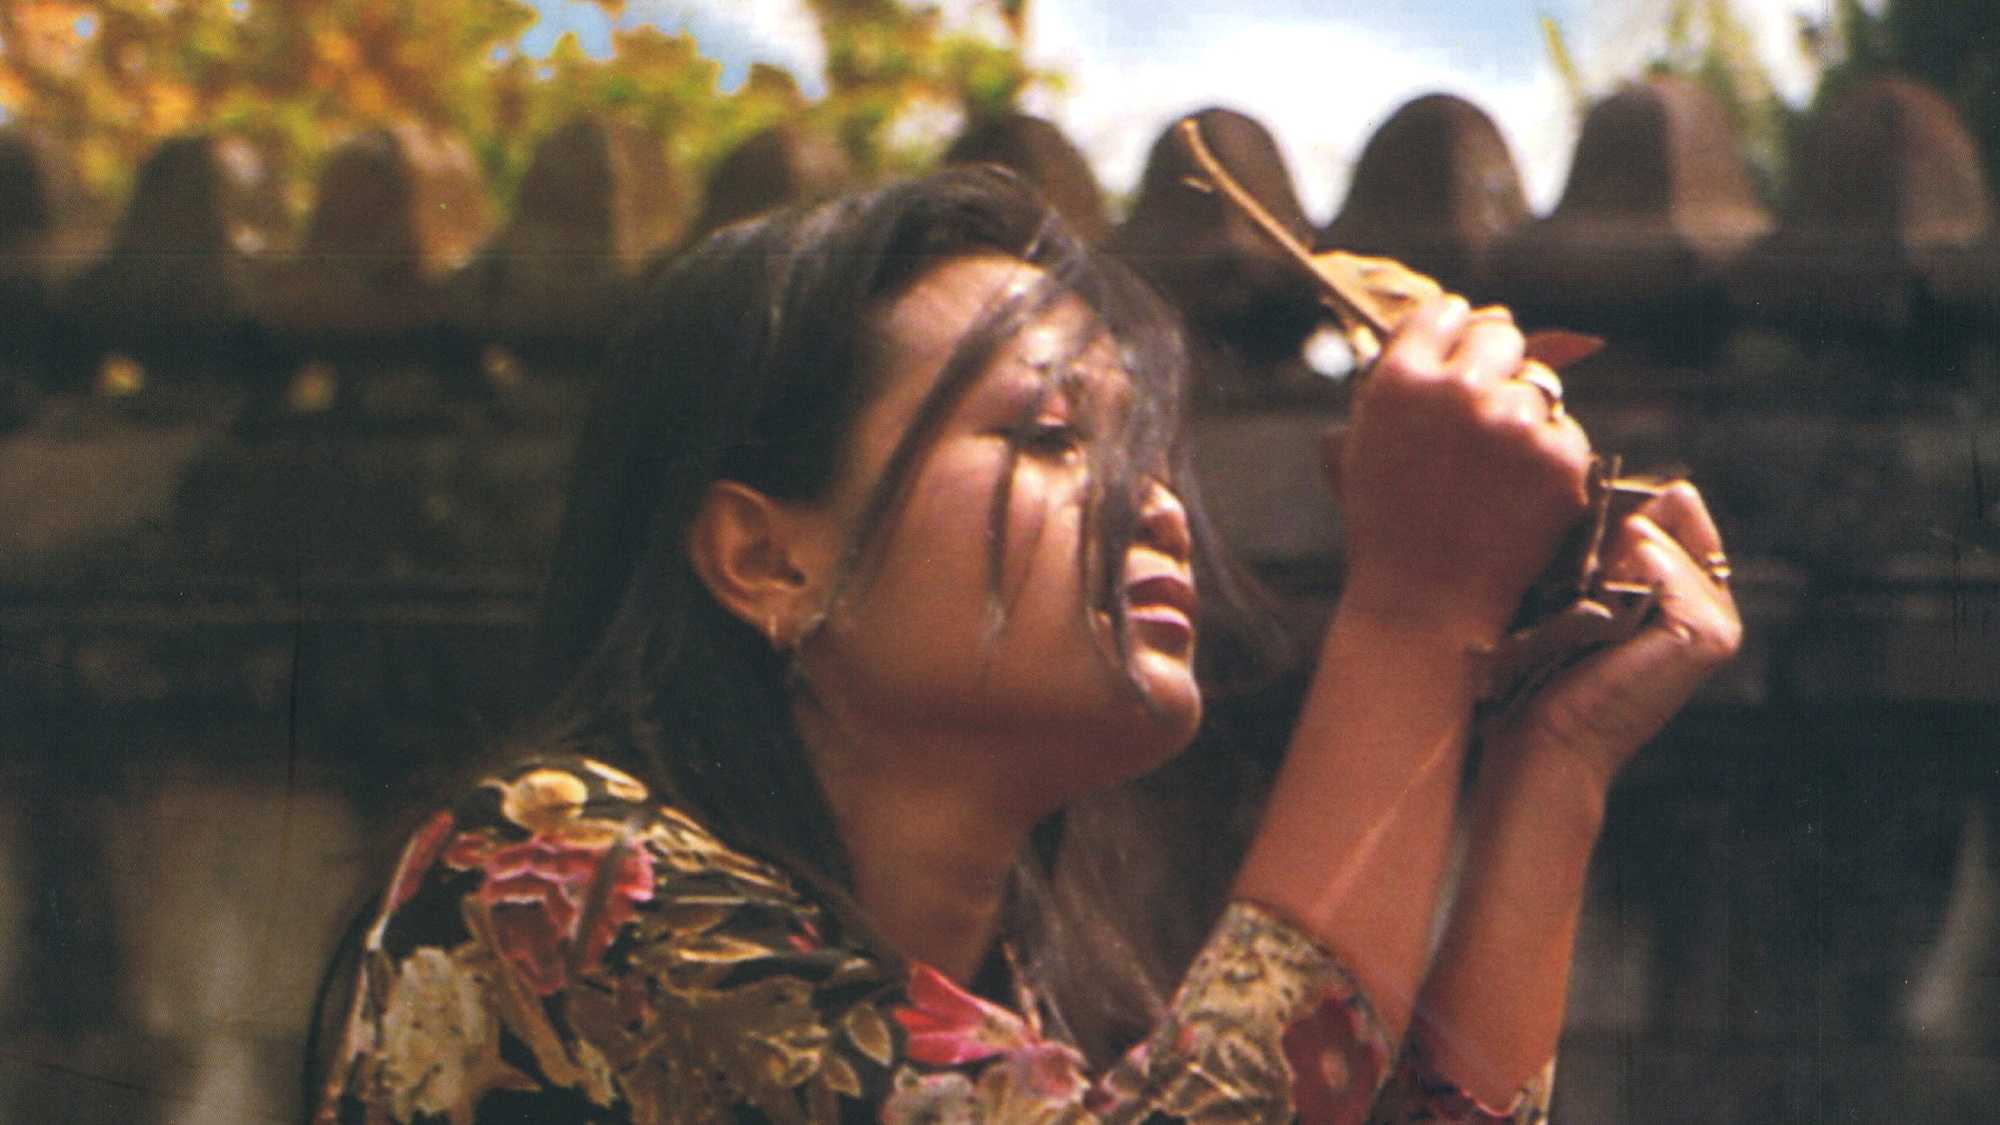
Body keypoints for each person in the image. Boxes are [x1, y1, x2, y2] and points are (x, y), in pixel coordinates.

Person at [308, 165, 1739, 1123]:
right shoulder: (544, 885)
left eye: (1146, 451)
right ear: (765, 556)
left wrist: (1557, 757)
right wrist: (1418, 614)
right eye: (1050, 436)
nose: (1155, 505)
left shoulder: (1015, 1023)